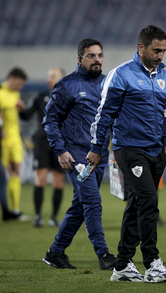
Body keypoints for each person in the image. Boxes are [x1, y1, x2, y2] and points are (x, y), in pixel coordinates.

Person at [88, 25, 166, 283]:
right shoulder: (121, 74)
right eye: (156, 50)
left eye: (164, 51)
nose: (160, 55)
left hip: (156, 151)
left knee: (137, 203)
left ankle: (123, 264)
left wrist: (165, 143)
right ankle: (152, 263)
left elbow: (164, 113)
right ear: (141, 47)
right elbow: (104, 115)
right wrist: (95, 149)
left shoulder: (164, 77)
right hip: (129, 148)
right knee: (148, 201)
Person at [41, 38, 116, 271]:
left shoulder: (107, 84)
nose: (97, 60)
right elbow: (50, 120)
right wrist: (61, 150)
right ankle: (104, 255)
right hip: (77, 156)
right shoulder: (67, 85)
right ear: (80, 59)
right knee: (92, 202)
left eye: (100, 55)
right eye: (91, 56)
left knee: (79, 206)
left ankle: (55, 252)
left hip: (98, 156)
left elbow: (112, 120)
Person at [19, 67, 66, 228]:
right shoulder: (39, 97)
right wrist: (21, 109)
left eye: (52, 76)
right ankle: (38, 216)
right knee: (40, 178)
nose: (49, 79)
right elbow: (26, 116)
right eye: (48, 76)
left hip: (60, 143)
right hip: (42, 141)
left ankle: (53, 217)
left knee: (59, 181)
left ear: (61, 78)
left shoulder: (69, 97)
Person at [0, 68, 29, 218]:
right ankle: (5, 209)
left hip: (15, 139)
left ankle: (15, 209)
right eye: (19, 83)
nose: (20, 87)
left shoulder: (16, 94)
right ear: (11, 78)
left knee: (16, 172)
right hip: (2, 141)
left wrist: (22, 110)